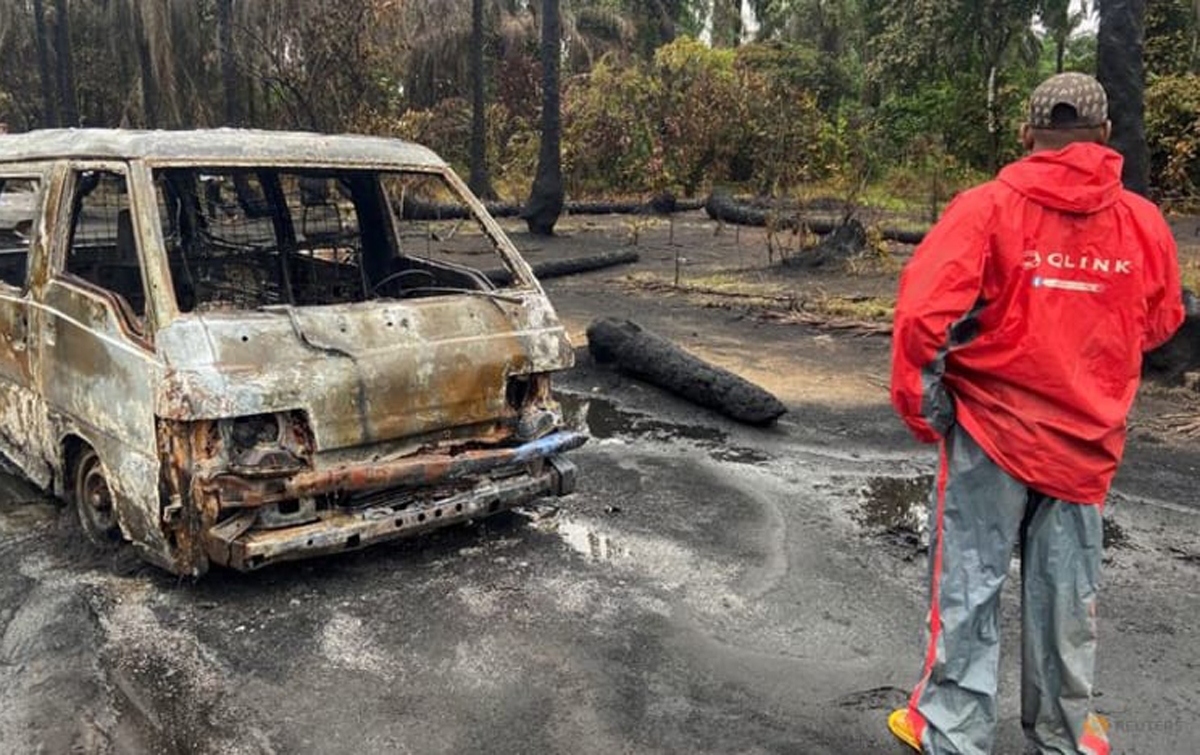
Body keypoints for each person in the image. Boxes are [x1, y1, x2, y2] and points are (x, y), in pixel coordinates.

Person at [886, 72, 1185, 755]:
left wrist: (925, 405)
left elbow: (922, 315)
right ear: (1105, 137)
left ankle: (953, 729)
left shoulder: (985, 208)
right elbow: (1161, 318)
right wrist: (1088, 366)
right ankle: (1065, 732)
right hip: (1085, 444)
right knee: (1067, 600)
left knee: (967, 585)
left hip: (989, 434)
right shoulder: (1142, 223)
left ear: (1026, 135)